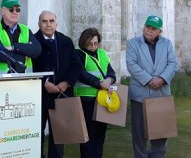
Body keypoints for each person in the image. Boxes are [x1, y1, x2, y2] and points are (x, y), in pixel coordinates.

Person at [126, 15, 178, 158]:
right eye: (147, 27)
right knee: (139, 134)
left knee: (161, 133)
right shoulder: (132, 43)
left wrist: (161, 79)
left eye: (153, 28)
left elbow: (172, 64)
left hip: (161, 93)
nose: (149, 30)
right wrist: (149, 80)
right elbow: (132, 65)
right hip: (140, 96)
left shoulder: (167, 44)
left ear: (159, 31)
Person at [32, 11, 81, 158]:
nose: (48, 24)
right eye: (44, 21)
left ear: (56, 23)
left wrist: (66, 83)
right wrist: (43, 83)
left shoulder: (66, 41)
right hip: (39, 97)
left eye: (51, 21)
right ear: (39, 24)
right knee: (36, 135)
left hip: (61, 96)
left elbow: (76, 66)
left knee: (58, 139)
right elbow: (28, 68)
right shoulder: (32, 42)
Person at [73, 27, 116, 158]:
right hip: (86, 100)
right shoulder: (79, 54)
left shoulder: (102, 53)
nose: (93, 46)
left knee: (100, 134)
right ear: (83, 43)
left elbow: (111, 71)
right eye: (90, 44)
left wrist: (109, 79)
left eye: (95, 43)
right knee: (87, 136)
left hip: (102, 100)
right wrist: (99, 83)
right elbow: (81, 74)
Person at [0, 0, 41, 76]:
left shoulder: (25, 29)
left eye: (17, 10)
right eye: (11, 9)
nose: (15, 12)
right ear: (2, 11)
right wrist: (23, 55)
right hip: (0, 82)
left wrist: (13, 47)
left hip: (24, 81)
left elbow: (37, 50)